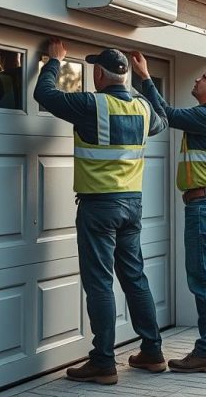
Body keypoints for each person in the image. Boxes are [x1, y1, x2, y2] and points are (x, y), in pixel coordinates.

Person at [34, 39, 169, 385]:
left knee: (100, 283)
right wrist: (148, 80)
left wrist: (54, 62)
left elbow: (45, 95)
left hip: (99, 207)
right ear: (124, 76)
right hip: (132, 206)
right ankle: (152, 352)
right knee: (135, 278)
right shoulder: (142, 108)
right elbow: (163, 120)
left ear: (98, 74)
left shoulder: (91, 104)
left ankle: (103, 362)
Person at [130, 51, 206, 374]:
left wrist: (146, 78)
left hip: (204, 205)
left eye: (203, 77)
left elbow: (165, 113)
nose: (197, 79)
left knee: (203, 279)